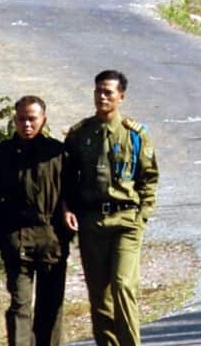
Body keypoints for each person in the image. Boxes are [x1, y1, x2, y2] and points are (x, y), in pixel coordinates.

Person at [63, 70, 159, 346]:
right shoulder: (80, 134)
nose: (102, 97)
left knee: (123, 285)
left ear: (121, 96)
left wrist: (143, 215)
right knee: (99, 296)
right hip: (93, 221)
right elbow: (68, 178)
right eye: (98, 91)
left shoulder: (135, 135)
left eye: (108, 92)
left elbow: (149, 177)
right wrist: (69, 209)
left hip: (126, 220)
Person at [0, 95, 72, 346]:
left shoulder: (58, 153)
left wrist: (65, 235)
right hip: (16, 241)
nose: (27, 125)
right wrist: (1, 240)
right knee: (20, 307)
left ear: (43, 120)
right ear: (15, 120)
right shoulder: (1, 155)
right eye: (22, 119)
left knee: (50, 309)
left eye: (32, 119)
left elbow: (71, 197)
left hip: (52, 240)